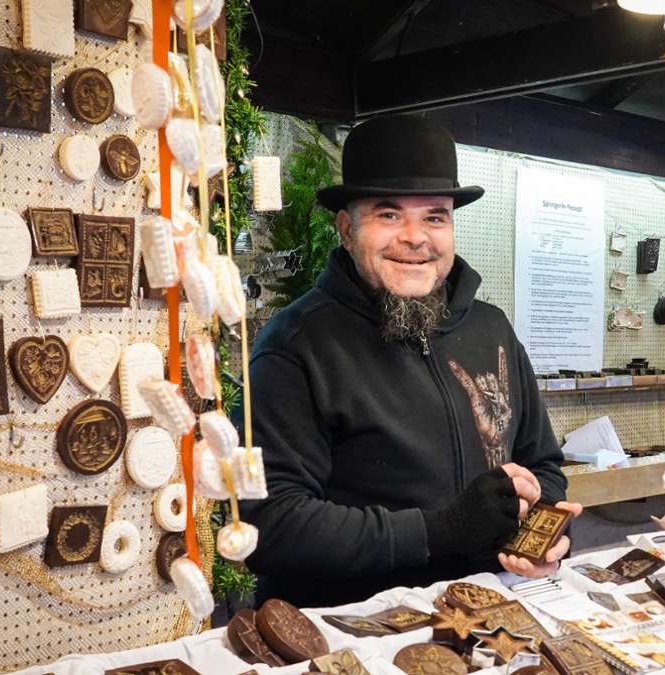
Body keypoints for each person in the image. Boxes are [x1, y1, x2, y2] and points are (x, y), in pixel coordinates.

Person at [235, 115, 580, 608]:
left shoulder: (491, 328)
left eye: (435, 216)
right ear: (347, 230)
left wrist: (537, 531)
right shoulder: (293, 346)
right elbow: (270, 526)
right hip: (351, 633)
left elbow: (541, 464)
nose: (416, 237)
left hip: (485, 615)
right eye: (389, 214)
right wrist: (439, 531)